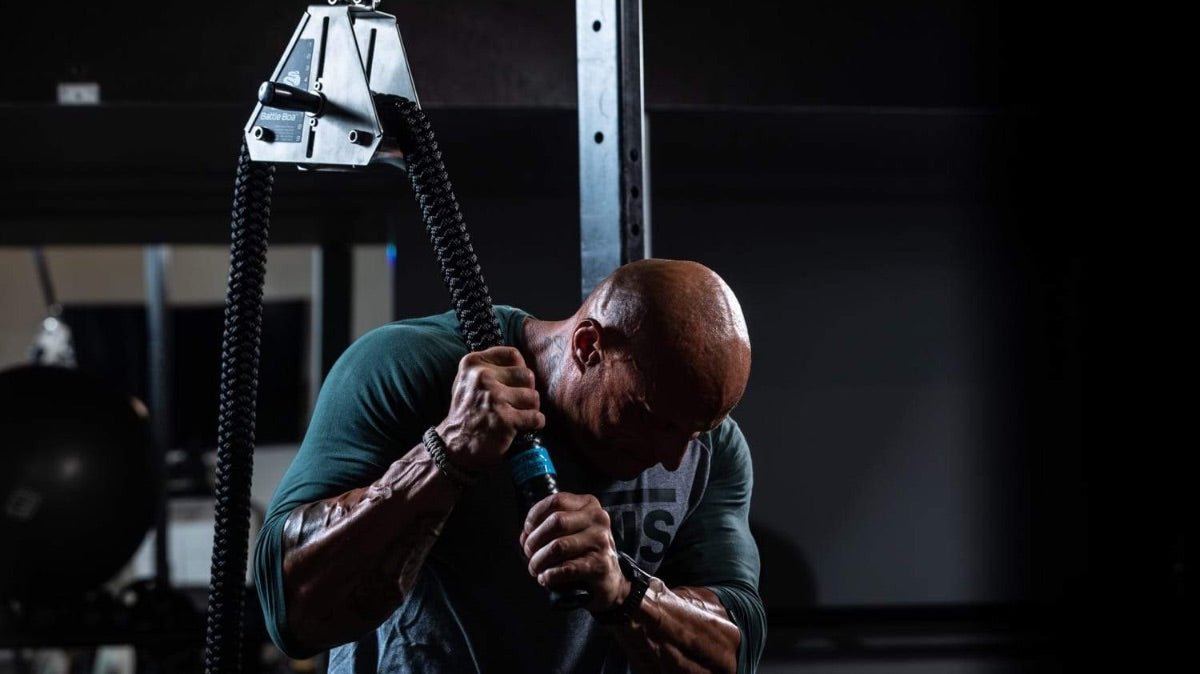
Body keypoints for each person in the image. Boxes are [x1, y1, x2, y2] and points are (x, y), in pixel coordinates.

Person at [254, 258, 765, 673]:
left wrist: (623, 590)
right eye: (652, 418)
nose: (674, 455)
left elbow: (732, 651)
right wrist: (445, 454)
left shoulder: (710, 448)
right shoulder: (409, 369)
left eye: (698, 429)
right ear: (589, 347)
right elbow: (292, 613)